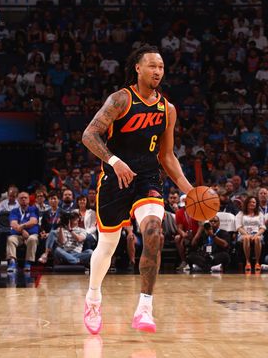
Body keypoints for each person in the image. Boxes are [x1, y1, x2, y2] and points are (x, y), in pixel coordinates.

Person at [81, 45, 194, 335]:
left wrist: (188, 189)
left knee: (154, 230)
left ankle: (145, 307)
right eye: (152, 66)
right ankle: (93, 298)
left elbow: (167, 156)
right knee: (107, 246)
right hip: (115, 176)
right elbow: (89, 135)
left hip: (148, 177)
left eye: (161, 67)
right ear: (138, 68)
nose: (158, 71)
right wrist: (114, 161)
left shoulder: (167, 109)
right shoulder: (120, 100)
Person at [6, 191, 40, 272]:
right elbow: (13, 224)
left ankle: (28, 262)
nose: (24, 199)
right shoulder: (14, 211)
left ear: (28, 200)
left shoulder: (33, 209)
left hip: (31, 235)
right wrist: (22, 231)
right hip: (18, 235)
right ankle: (12, 262)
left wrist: (22, 226)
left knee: (33, 239)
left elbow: (33, 221)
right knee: (10, 239)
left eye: (25, 198)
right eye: (21, 198)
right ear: (17, 200)